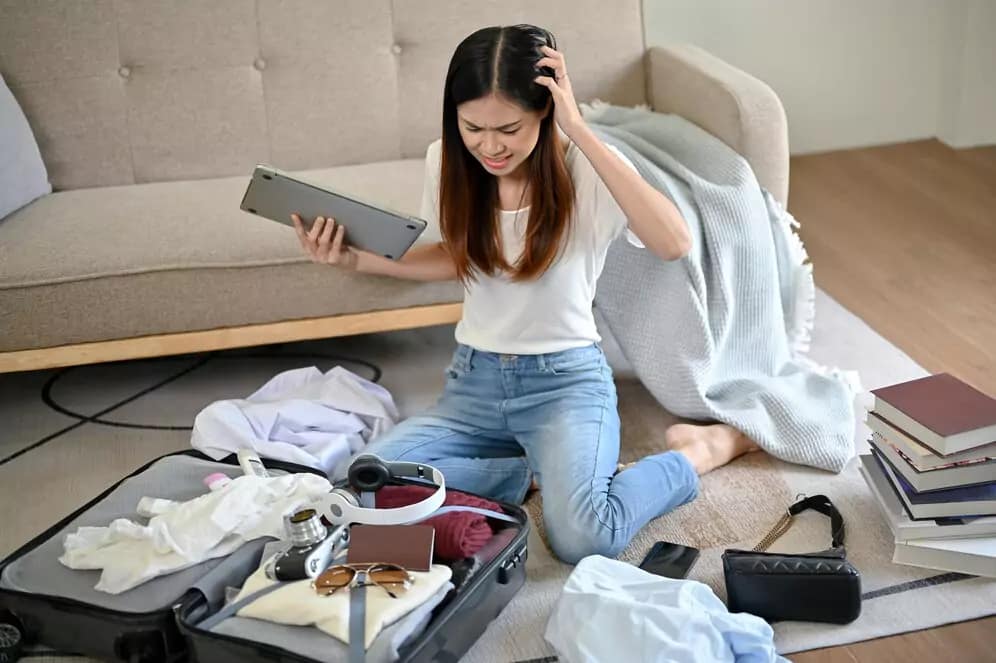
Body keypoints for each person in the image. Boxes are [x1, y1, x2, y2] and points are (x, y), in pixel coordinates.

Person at [292, 24, 757, 563]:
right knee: (362, 483)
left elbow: (673, 242)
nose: (490, 146)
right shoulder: (446, 160)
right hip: (474, 387)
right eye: (473, 127)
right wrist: (358, 259)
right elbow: (461, 256)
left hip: (566, 386)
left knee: (583, 537)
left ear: (545, 109)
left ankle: (695, 453)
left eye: (509, 128)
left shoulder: (588, 169)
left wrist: (579, 129)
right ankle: (527, 472)